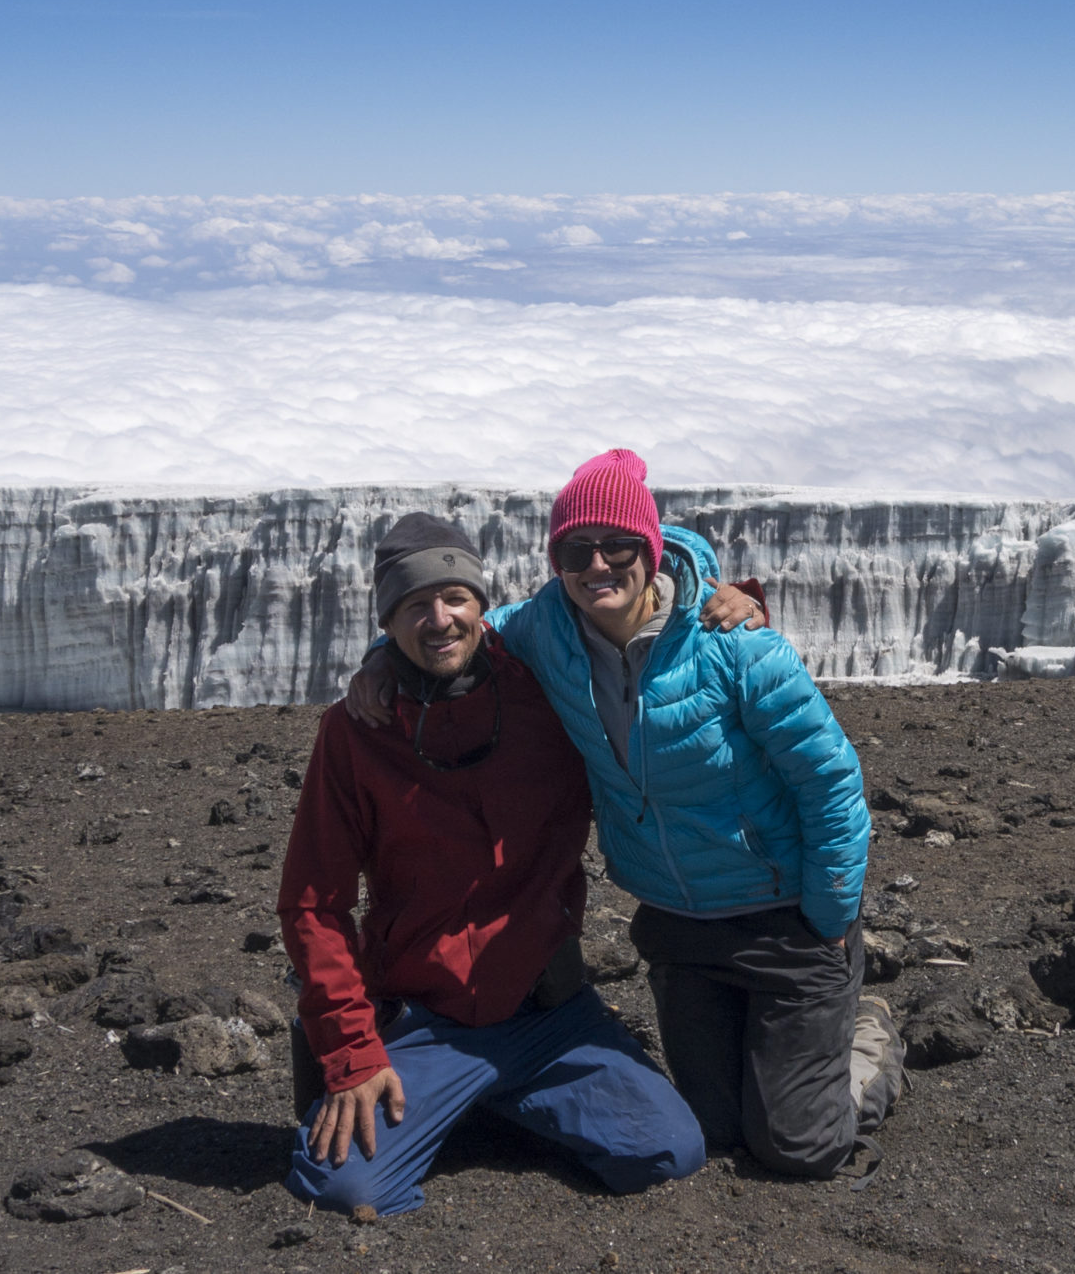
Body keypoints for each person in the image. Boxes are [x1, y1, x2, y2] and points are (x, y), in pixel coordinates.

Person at [349, 451, 905, 1183]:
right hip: (679, 925)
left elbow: (831, 786)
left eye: (619, 546)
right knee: (711, 1130)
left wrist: (831, 917)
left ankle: (866, 1040)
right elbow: (454, 634)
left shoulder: (735, 646)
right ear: (557, 562)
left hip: (788, 920)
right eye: (576, 550)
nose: (598, 565)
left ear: (651, 548)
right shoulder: (544, 632)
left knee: (797, 1147)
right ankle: (787, 1055)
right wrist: (385, 657)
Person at [276, 512, 707, 1217]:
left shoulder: (549, 689)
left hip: (549, 1016)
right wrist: (350, 1051)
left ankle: (476, 1102)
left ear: (483, 603)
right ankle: (440, 1092)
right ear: (387, 622)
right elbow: (312, 905)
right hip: (426, 1020)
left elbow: (642, 602)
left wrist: (730, 596)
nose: (439, 619)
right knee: (349, 1189)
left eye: (454, 597)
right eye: (414, 605)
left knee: (667, 1150)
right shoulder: (357, 732)